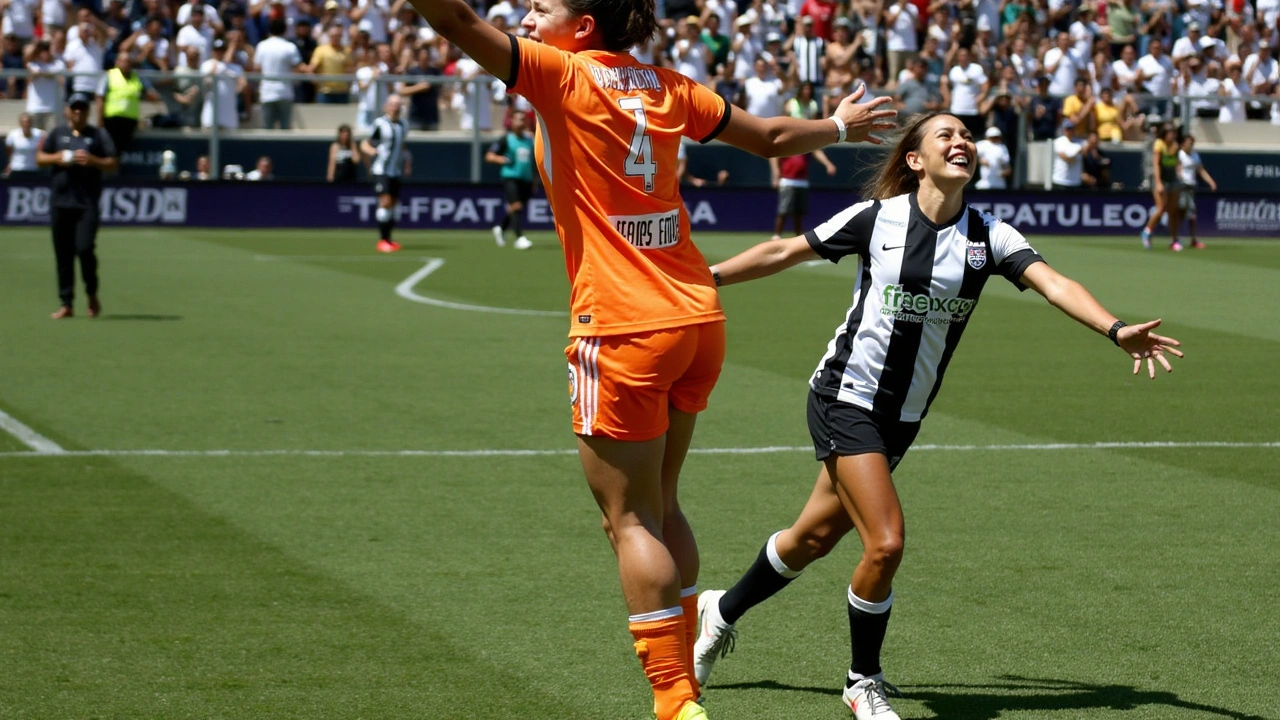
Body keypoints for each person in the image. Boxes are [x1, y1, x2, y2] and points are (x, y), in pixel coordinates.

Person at [402, 1, 896, 719]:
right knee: (660, 507)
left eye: (543, 7)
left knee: (628, 521)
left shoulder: (559, 73)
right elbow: (771, 136)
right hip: (696, 319)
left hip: (624, 327)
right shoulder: (667, 85)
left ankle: (673, 699)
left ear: (585, 26)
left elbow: (451, 21)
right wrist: (841, 125)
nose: (527, 16)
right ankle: (685, 672)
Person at [693, 112, 1183, 720]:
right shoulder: (878, 219)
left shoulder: (990, 236)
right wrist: (701, 281)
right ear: (915, 160)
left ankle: (721, 610)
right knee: (887, 541)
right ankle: (861, 681)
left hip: (903, 417)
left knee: (813, 538)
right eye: (945, 135)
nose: (962, 142)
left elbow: (1055, 283)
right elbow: (783, 250)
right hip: (845, 396)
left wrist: (1114, 329)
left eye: (967, 136)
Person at [35, 93, 120, 320]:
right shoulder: (57, 133)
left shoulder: (98, 135)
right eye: (74, 109)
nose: (78, 113)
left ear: (88, 111)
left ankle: (91, 293)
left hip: (86, 203)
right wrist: (57, 158)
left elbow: (113, 162)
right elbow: (40, 158)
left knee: (84, 249)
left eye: (82, 109)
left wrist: (93, 161)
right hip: (60, 202)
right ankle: (66, 303)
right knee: (63, 254)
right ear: (67, 111)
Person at [360, 94, 409, 253]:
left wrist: (407, 162)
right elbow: (365, 144)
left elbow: (402, 147)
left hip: (395, 170)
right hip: (381, 170)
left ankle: (388, 238)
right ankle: (382, 240)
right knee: (385, 202)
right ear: (386, 106)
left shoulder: (403, 124)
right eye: (392, 104)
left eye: (398, 104)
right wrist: (371, 151)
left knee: (393, 205)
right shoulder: (380, 124)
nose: (395, 107)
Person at [485, 108, 535, 249]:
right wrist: (503, 160)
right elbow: (489, 156)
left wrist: (535, 180)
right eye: (518, 118)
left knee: (515, 208)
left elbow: (534, 161)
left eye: (523, 119)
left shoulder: (530, 140)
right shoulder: (506, 139)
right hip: (510, 177)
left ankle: (501, 228)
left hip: (526, 179)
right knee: (516, 206)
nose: (521, 121)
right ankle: (519, 238)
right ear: (511, 121)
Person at [95, 52, 161, 152]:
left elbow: (152, 94)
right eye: (124, 61)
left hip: (130, 122)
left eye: (129, 61)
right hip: (112, 122)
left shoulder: (137, 77)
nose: (127, 64)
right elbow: (100, 98)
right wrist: (100, 120)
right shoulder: (109, 76)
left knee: (124, 152)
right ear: (117, 62)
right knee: (111, 150)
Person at [771, 149, 836, 240]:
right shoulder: (787, 142)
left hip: (802, 182)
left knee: (799, 212)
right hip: (787, 181)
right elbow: (774, 156)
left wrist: (827, 164)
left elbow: (816, 151)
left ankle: (797, 235)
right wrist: (775, 174)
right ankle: (777, 235)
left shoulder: (806, 143)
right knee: (784, 210)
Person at [1140, 123, 1181, 251]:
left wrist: (1180, 174)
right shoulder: (1159, 144)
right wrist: (1158, 183)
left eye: (1174, 133)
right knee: (1161, 208)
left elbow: (1177, 163)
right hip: (1161, 180)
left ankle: (1174, 240)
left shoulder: (1175, 146)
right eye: (1170, 133)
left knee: (1173, 211)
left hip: (1173, 180)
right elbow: (1156, 164)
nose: (1172, 135)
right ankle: (1146, 233)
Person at [1175, 134, 1215, 249]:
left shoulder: (1195, 155)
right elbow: (1177, 169)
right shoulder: (1179, 155)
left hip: (1191, 187)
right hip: (1181, 187)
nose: (1191, 145)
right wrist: (1181, 179)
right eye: (1189, 143)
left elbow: (1201, 170)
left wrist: (1211, 182)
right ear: (1183, 144)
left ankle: (1193, 239)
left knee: (1192, 214)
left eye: (1192, 143)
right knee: (1181, 212)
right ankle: (1175, 238)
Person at [4, 112, 44, 178]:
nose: (26, 124)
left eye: (28, 122)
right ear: (20, 123)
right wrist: (10, 164)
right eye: (24, 122)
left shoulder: (39, 134)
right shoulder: (13, 134)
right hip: (16, 168)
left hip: (33, 169)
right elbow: (9, 150)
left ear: (31, 123)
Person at [1051, 118, 1085, 190]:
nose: (1069, 131)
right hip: (1060, 181)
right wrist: (1077, 152)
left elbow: (1086, 152)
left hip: (1075, 182)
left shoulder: (1080, 142)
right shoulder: (1059, 142)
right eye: (1067, 129)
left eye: (1071, 129)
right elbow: (1066, 159)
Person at [973, 125, 1009, 189]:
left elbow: (1007, 167)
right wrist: (979, 160)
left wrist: (1004, 172)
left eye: (996, 137)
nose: (995, 138)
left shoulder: (1002, 148)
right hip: (985, 182)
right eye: (993, 137)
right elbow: (971, 154)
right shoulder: (982, 144)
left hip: (999, 182)